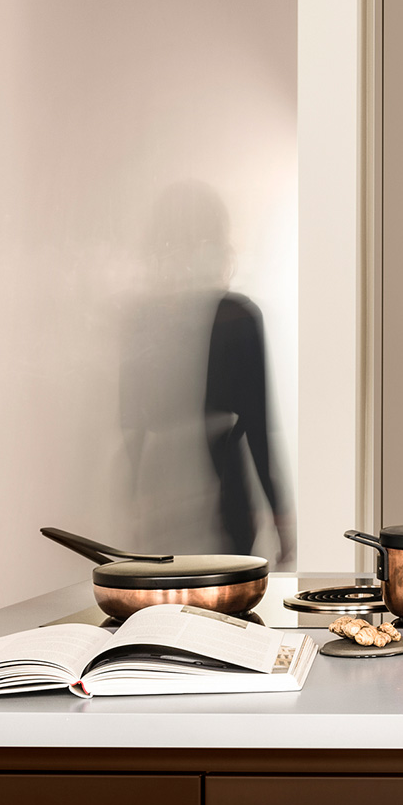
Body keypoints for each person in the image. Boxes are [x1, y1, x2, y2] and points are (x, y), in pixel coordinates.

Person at [122, 182, 294, 566]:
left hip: (161, 497)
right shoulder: (238, 315)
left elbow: (131, 424)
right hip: (224, 499)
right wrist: (279, 512)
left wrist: (136, 503)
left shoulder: (142, 320)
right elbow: (258, 426)